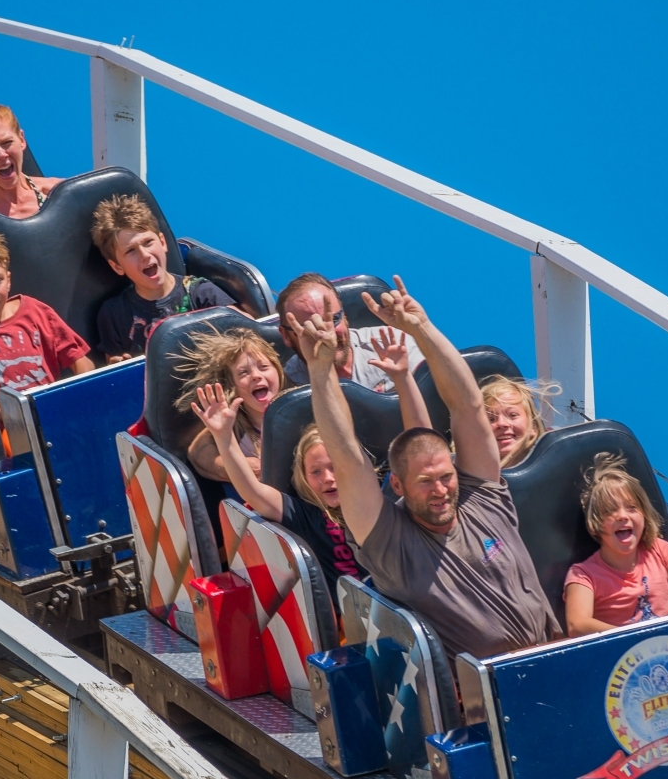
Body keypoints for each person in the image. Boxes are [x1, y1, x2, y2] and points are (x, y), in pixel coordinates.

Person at [296, 277, 560, 662]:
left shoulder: (483, 500)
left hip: (556, 657)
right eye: (425, 482)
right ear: (399, 485)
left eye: (446, 477)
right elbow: (346, 456)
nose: (440, 490)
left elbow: (468, 406)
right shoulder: (390, 542)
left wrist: (422, 328)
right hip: (482, 693)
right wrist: (320, 373)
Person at [191, 328, 429, 585]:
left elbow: (422, 445)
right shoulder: (307, 516)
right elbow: (252, 491)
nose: (328, 478)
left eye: (334, 467)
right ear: (302, 477)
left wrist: (403, 378)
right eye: (315, 471)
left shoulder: (379, 499)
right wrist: (225, 439)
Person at [0, 225, 92, 412]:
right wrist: (25, 411)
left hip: (58, 411)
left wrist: (76, 396)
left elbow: (82, 363)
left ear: (9, 280)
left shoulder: (35, 310)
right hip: (11, 428)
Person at [563, 453, 668, 635]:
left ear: (644, 516)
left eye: (632, 508)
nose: (623, 516)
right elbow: (577, 625)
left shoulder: (657, 549)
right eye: (610, 511)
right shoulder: (584, 575)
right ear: (596, 524)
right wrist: (633, 638)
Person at [90, 193, 237, 361]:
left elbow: (250, 331)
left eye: (148, 242)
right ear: (117, 266)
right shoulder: (114, 314)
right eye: (131, 251)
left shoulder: (200, 293)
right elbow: (113, 374)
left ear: (163, 242)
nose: (144, 255)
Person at [275, 272, 424, 394]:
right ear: (286, 336)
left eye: (333, 319)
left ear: (345, 317)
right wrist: (320, 367)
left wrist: (423, 328)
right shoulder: (288, 386)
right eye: (310, 328)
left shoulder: (392, 343)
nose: (327, 334)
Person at [176, 328, 287, 484]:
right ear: (232, 386)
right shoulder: (233, 425)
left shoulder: (299, 409)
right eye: (243, 372)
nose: (256, 375)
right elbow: (197, 453)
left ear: (278, 371)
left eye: (264, 367)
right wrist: (238, 466)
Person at [483, 376, 559, 467]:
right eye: (491, 419)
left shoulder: (556, 460)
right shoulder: (470, 475)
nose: (501, 423)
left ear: (533, 426)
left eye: (512, 415)